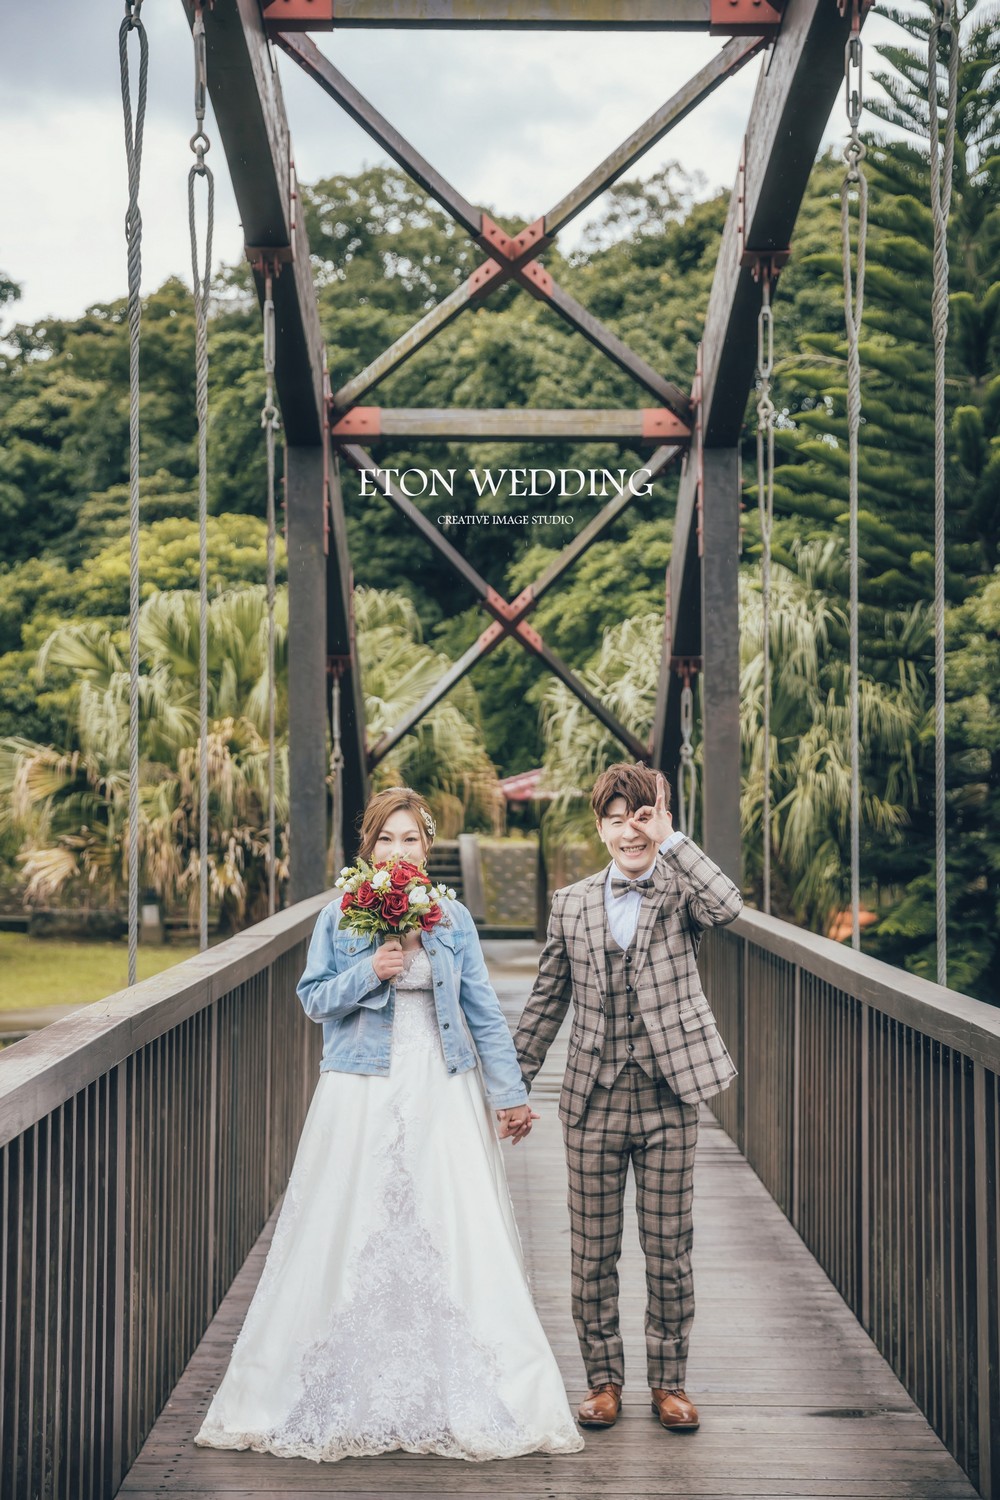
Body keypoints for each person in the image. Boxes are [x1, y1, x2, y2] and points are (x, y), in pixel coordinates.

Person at [194, 785, 583, 1463]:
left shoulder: (451, 918)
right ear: (367, 847)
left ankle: (474, 1388)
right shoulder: (339, 914)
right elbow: (314, 999)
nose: (398, 852)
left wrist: (510, 1095)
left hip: (442, 1085)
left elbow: (483, 1012)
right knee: (350, 1221)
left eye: (410, 840)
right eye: (386, 839)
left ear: (427, 849)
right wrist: (371, 972)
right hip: (361, 1087)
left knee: (453, 1224)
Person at [511, 762, 742, 1434]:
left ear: (659, 819)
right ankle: (603, 1382)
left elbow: (729, 906)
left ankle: (670, 1384)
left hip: (671, 1095)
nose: (629, 831)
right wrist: (511, 1085)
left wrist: (672, 840)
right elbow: (546, 1001)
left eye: (641, 817)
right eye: (616, 820)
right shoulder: (571, 903)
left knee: (669, 1249)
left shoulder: (682, 890)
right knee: (592, 1254)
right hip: (593, 1099)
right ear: (600, 828)